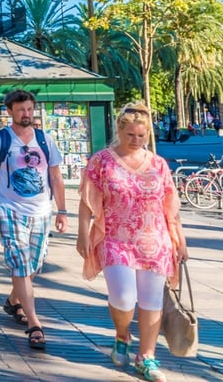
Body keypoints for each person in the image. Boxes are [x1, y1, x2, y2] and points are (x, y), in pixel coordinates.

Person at [77, 103, 189, 382]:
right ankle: (122, 334)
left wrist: (180, 240)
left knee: (151, 301)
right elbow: (87, 201)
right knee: (124, 297)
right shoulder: (101, 161)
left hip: (155, 240)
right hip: (115, 238)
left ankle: (147, 357)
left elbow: (170, 207)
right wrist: (82, 233)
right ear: (119, 130)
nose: (136, 141)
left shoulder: (158, 164)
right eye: (131, 135)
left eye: (141, 136)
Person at [0, 89, 68, 351]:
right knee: (20, 261)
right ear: (10, 112)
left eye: (29, 109)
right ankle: (34, 324)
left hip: (41, 210)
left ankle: (13, 300)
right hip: (9, 208)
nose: (26, 114)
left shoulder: (45, 140)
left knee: (34, 265)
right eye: (21, 110)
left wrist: (62, 211)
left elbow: (56, 177)